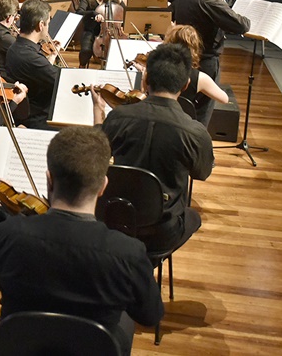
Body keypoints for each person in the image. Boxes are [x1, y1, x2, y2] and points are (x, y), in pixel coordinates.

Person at [0, 126, 164, 354]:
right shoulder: (128, 252)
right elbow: (150, 315)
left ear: (49, 179)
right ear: (103, 187)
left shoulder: (10, 232)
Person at [92, 43, 214, 254]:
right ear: (185, 85)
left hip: (115, 221)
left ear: (146, 79)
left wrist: (98, 111)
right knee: (193, 217)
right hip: (162, 232)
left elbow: (95, 155)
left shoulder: (118, 117)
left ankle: (132, 264)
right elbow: (202, 173)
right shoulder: (195, 132)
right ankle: (145, 265)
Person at [171, 0, 250, 126]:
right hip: (204, 61)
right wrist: (222, 1)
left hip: (181, 59)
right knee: (200, 116)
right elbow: (241, 25)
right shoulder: (209, 0)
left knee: (183, 109)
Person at [5, 0, 59, 130]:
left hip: (30, 111)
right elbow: (60, 81)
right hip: (40, 117)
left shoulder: (16, 48)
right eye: (47, 24)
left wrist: (50, 59)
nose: (48, 28)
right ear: (40, 25)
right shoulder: (30, 56)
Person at [164, 25, 229, 116]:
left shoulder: (156, 69)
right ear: (194, 47)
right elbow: (224, 99)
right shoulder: (200, 78)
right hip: (184, 126)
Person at [75, 0, 107, 68]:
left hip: (106, 31)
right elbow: (79, 12)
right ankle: (82, 67)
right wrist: (94, 13)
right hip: (91, 29)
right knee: (86, 50)